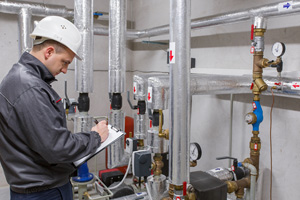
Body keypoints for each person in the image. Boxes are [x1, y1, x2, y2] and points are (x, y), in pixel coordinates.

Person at [0, 16, 109, 200]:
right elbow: (58, 148)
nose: (65, 70)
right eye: (65, 62)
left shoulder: (19, 77)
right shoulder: (30, 88)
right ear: (49, 52)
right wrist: (95, 137)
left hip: (33, 188)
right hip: (44, 192)